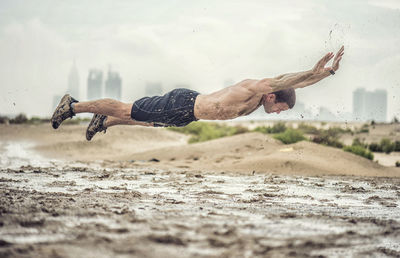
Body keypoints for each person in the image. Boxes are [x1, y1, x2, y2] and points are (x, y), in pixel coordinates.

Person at [51, 46, 344, 141]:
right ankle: (74, 106)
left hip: (186, 114)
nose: (279, 113)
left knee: (149, 121)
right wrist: (314, 71)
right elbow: (288, 79)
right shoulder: (257, 88)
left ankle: (104, 121)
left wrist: (327, 75)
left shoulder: (258, 102)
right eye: (281, 108)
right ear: (273, 96)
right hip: (185, 103)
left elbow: (297, 84)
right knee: (129, 109)